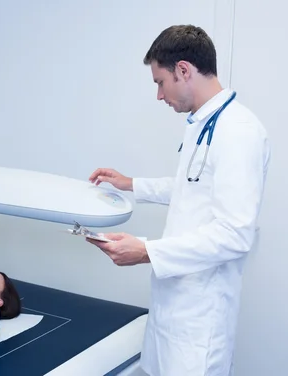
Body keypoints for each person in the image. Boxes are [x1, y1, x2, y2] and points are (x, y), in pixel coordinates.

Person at [87, 25, 270, 376]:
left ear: (183, 70)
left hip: (201, 317)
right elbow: (192, 186)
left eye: (160, 82)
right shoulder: (202, 124)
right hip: (171, 303)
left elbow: (235, 233)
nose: (159, 95)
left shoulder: (239, 131)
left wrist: (147, 250)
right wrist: (131, 184)